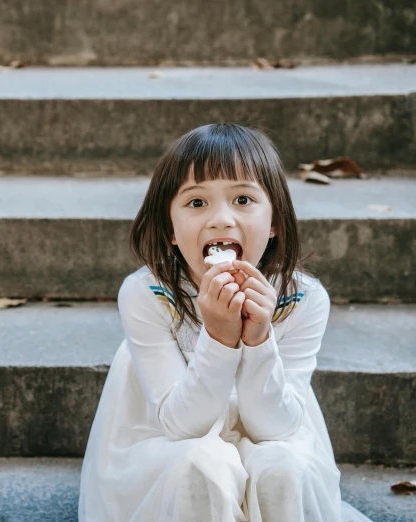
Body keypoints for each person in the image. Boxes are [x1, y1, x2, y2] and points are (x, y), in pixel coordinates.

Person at [78, 124, 371, 522]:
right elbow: (182, 427)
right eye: (197, 203)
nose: (221, 219)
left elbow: (275, 429)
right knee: (200, 465)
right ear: (170, 231)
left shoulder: (303, 300)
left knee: (285, 467)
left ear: (275, 224)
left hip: (269, 427)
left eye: (243, 199)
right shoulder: (146, 294)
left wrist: (258, 338)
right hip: (171, 438)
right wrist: (218, 338)